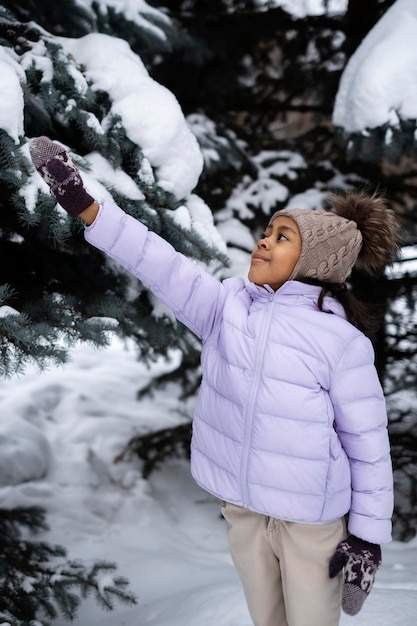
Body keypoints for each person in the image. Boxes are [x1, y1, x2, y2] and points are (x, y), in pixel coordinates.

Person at [29, 136, 401, 626]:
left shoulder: (341, 343)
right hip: (244, 511)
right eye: (267, 231)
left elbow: (367, 445)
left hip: (311, 524)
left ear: (315, 262)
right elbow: (158, 261)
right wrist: (90, 208)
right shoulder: (227, 308)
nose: (263, 240)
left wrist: (367, 539)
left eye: (283, 237)